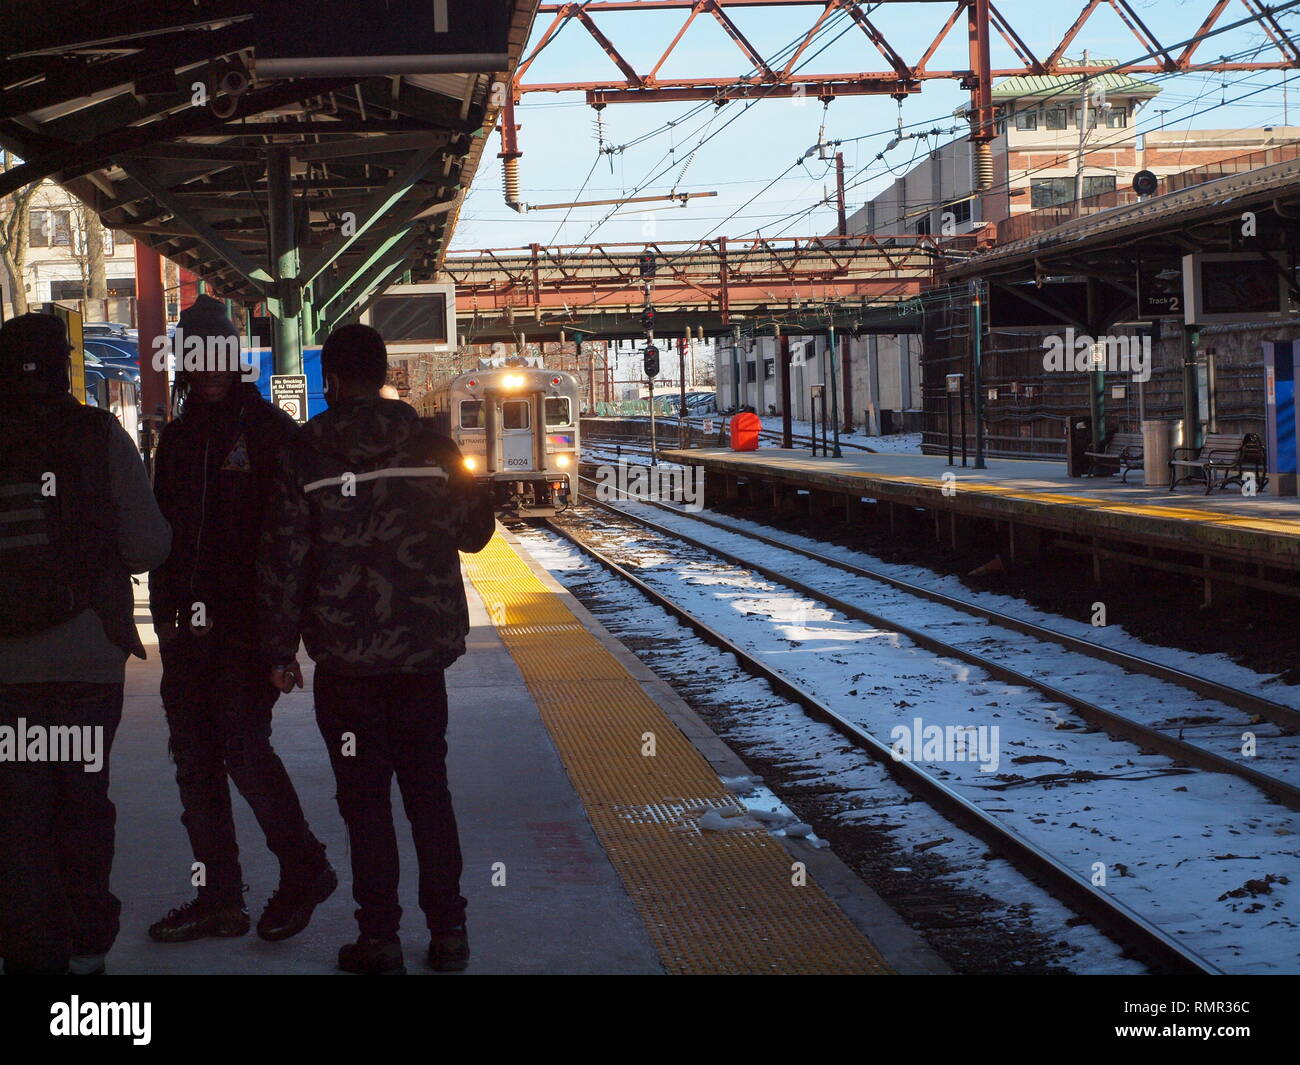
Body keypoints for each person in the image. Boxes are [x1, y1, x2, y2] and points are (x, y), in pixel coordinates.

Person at [258, 323, 494, 975]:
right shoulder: (431, 444)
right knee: (429, 793)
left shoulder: (306, 452)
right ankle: (449, 933)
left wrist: (279, 652)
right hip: (421, 662)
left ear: (330, 379)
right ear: (385, 372)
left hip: (346, 667)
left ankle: (380, 940)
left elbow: (283, 559)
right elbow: (476, 533)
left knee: (364, 804)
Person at [148, 295, 335, 944]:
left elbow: (298, 538)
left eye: (216, 357)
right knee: (195, 760)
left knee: (242, 748)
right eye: (194, 360)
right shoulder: (176, 438)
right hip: (187, 633)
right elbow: (163, 535)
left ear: (234, 358)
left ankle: (304, 864)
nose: (207, 372)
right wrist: (165, 618)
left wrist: (282, 638)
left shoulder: (269, 433)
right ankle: (219, 897)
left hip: (246, 630)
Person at [0, 313, 171, 975]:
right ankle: (85, 947)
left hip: (7, 675)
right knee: (81, 800)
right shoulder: (97, 434)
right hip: (85, 663)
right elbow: (150, 544)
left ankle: (28, 949)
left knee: (17, 810)